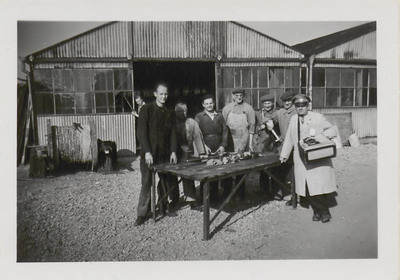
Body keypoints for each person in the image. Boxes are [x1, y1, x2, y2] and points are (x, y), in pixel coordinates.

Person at [279, 94, 338, 223]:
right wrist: (284, 154)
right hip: (301, 157)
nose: (300, 108)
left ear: (308, 106)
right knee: (308, 186)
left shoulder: (318, 118)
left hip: (317, 157)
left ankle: (324, 212)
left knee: (318, 185)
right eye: (298, 106)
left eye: (303, 106)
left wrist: (318, 138)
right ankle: (316, 212)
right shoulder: (294, 119)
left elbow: (333, 130)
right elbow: (289, 137)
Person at [134, 83, 179, 226]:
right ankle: (142, 213)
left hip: (164, 154)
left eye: (166, 94)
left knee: (165, 181)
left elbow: (173, 133)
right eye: (161, 94)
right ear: (155, 94)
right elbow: (141, 133)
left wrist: (173, 151)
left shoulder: (170, 112)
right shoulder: (146, 109)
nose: (164, 96)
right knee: (147, 183)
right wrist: (147, 152)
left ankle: (163, 206)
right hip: (150, 154)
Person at [222, 88, 256, 201]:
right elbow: (222, 126)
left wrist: (250, 144)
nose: (239, 97)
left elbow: (252, 126)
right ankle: (226, 192)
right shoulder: (227, 108)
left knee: (241, 165)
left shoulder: (248, 108)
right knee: (227, 164)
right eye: (236, 95)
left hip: (243, 138)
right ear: (232, 96)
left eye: (240, 95)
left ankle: (240, 193)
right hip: (230, 139)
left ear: (243, 96)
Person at [195, 95, 229, 202]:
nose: (209, 105)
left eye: (211, 103)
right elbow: (197, 133)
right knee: (207, 170)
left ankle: (216, 196)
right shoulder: (199, 117)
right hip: (206, 144)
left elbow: (225, 131)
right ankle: (204, 198)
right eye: (207, 103)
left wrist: (223, 145)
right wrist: (203, 147)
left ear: (214, 103)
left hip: (218, 144)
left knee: (219, 169)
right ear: (203, 105)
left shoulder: (219, 116)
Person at [267, 90, 297, 204]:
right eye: (285, 101)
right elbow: (268, 117)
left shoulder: (297, 112)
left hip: (296, 146)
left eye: (289, 101)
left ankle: (295, 194)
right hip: (283, 146)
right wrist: (269, 121)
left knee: (294, 171)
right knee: (281, 169)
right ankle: (280, 193)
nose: (287, 103)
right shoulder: (279, 112)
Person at [175, 102, 206, 209]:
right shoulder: (172, 122)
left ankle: (192, 200)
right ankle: (172, 201)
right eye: (179, 111)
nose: (181, 113)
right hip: (175, 153)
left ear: (187, 111)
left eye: (183, 111)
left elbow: (198, 137)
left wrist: (201, 153)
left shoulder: (192, 122)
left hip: (189, 153)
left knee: (189, 176)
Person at [252, 93, 279, 199]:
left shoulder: (277, 113)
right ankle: (264, 190)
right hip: (263, 144)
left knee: (275, 166)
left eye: (269, 103)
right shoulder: (258, 114)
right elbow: (255, 127)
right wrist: (260, 127)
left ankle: (276, 190)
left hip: (274, 143)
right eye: (265, 103)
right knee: (264, 167)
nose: (267, 105)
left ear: (272, 103)